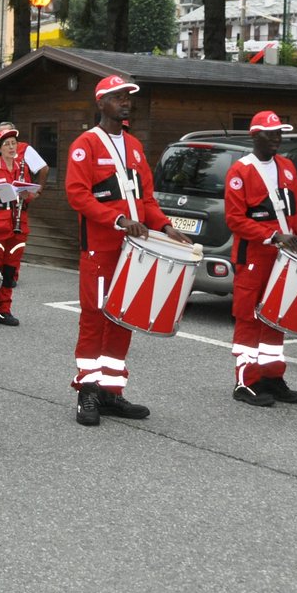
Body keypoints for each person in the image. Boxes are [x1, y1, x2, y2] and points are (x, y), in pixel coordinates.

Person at [64, 74, 193, 426]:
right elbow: (78, 195)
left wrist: (165, 227)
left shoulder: (135, 146)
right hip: (101, 249)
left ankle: (112, 393)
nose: (126, 102)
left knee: (124, 318)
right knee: (95, 319)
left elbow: (146, 200)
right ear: (100, 102)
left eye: (128, 98)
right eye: (119, 97)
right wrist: (118, 220)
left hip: (134, 250)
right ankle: (87, 393)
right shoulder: (86, 145)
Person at [223, 110, 297, 407]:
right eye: (270, 133)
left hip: (283, 258)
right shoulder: (240, 171)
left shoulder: (286, 167)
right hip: (254, 257)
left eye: (279, 133)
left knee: (275, 317)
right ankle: (246, 382)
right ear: (254, 135)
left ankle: (272, 376)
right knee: (249, 318)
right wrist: (273, 236)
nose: (276, 138)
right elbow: (235, 220)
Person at [0, 126, 34, 327]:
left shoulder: (22, 167)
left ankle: (4, 310)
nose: (12, 147)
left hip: (19, 225)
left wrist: (27, 194)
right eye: (7, 144)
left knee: (10, 270)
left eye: (14, 143)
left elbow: (29, 194)